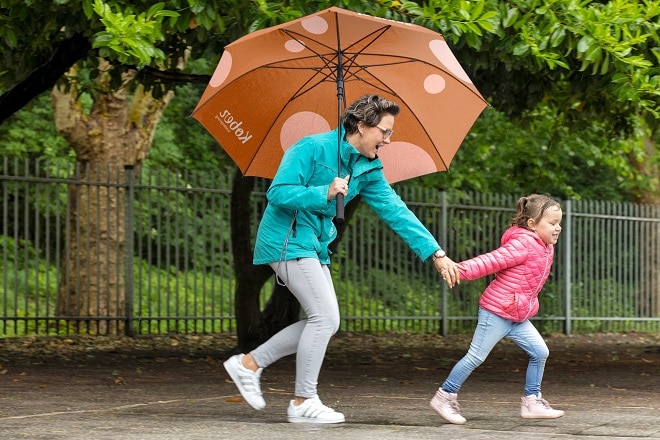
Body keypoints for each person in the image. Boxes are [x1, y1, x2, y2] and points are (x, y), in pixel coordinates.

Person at [223, 94, 460, 424]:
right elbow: (277, 193)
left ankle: (248, 364)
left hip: (314, 245)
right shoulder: (312, 148)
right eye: (385, 131)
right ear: (362, 126)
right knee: (323, 317)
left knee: (327, 321)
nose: (388, 140)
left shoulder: (368, 167)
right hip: (286, 240)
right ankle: (303, 400)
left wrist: (436, 252)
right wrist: (324, 191)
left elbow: (396, 211)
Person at [430, 194, 565, 425]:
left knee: (540, 352)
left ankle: (532, 401)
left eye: (559, 223)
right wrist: (458, 270)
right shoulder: (522, 243)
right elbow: (490, 260)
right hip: (497, 311)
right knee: (475, 356)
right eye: (552, 224)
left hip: (518, 314)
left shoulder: (544, 246)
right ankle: (444, 397)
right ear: (532, 224)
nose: (558, 228)